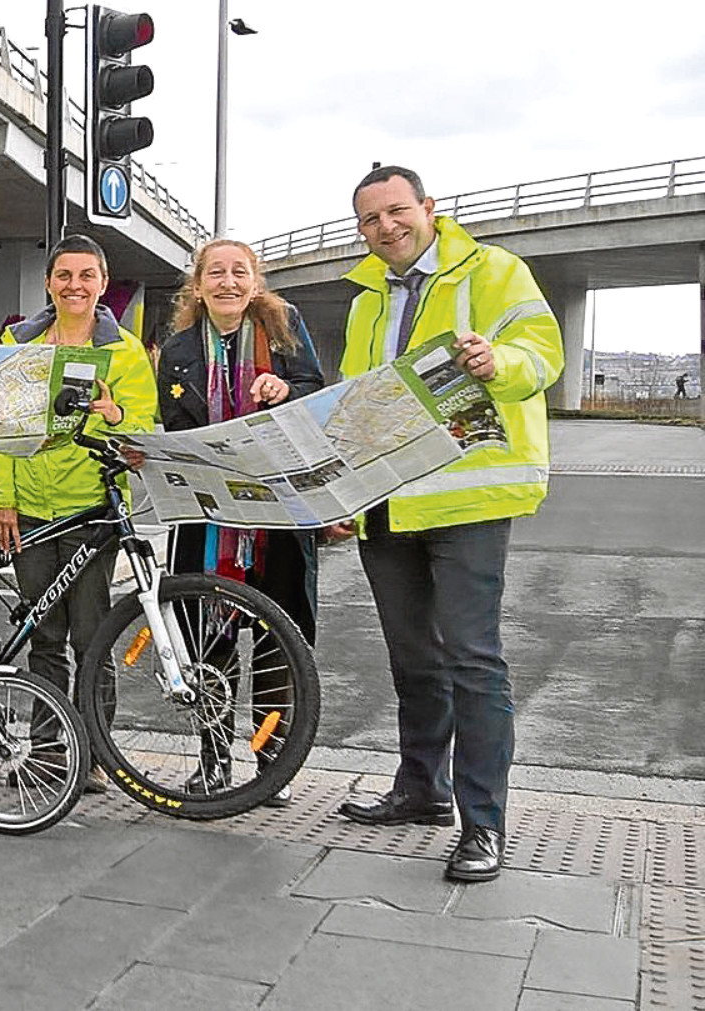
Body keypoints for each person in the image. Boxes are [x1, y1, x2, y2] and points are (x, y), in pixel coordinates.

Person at [332, 166, 563, 883]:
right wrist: (340, 489)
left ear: (429, 208)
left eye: (397, 212)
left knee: (472, 657)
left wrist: (501, 361)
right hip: (388, 500)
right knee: (413, 658)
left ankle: (483, 825)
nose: (386, 228)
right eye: (370, 220)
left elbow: (543, 352)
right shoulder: (367, 297)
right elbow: (354, 400)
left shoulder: (494, 271)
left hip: (466, 499)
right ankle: (419, 787)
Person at [0, 233, 157, 793]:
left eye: (87, 276)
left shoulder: (124, 351)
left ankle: (96, 751)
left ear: (103, 284)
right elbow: (0, 427)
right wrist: (2, 496)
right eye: (65, 276)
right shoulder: (19, 342)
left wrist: (114, 414)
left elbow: (142, 434)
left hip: (91, 511)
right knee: (44, 637)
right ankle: (47, 751)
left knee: (92, 637)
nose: (75, 286)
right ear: (48, 283)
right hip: (31, 510)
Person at [157, 239, 324, 805]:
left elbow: (317, 397)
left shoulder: (284, 330)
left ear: (255, 281)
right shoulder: (177, 350)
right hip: (206, 520)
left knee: (280, 643)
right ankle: (211, 759)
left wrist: (287, 389)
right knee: (209, 643)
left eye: (239, 272)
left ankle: (270, 762)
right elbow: (172, 428)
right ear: (197, 285)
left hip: (277, 519)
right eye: (216, 273)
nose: (228, 282)